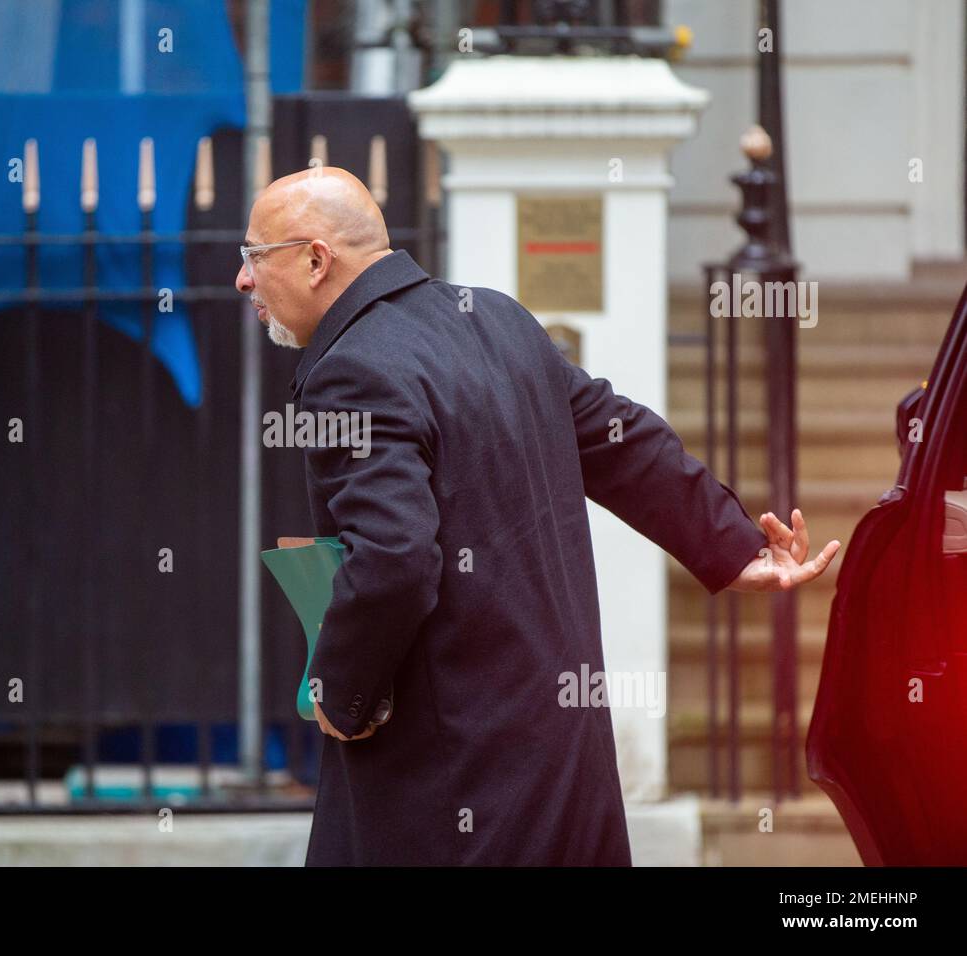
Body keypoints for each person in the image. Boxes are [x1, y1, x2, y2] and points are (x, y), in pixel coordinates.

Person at [235, 166, 841, 866]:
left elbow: (396, 558)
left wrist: (339, 693)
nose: (244, 280)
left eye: (255, 256)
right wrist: (731, 545)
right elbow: (621, 436)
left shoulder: (351, 371)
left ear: (316, 260)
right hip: (560, 758)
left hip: (452, 775)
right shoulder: (495, 317)